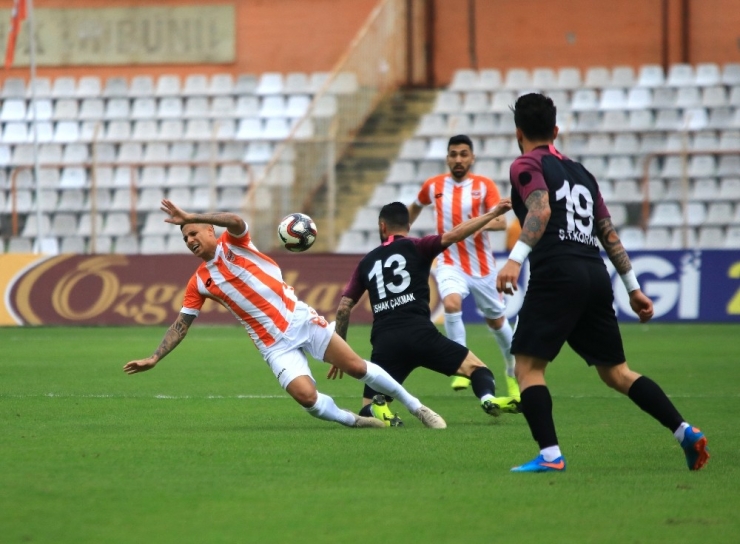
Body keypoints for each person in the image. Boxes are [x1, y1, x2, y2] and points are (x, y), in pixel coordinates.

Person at [496, 93, 709, 472]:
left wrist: (514, 260)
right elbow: (607, 231)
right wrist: (633, 287)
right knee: (617, 372)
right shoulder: (582, 173)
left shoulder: (525, 163)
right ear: (555, 130)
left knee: (527, 369)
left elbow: (541, 208)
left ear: (518, 132)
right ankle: (684, 430)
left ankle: (550, 457)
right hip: (594, 274)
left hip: (557, 272)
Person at [123, 200, 447, 430]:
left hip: (300, 320)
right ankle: (356, 420)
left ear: (210, 230)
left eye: (194, 233)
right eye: (185, 238)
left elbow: (235, 220)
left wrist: (190, 215)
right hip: (272, 345)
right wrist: (154, 357)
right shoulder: (199, 282)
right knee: (308, 400)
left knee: (356, 367)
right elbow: (181, 324)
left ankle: (416, 406)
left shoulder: (235, 242)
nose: (190, 240)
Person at [328, 200, 520, 424]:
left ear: (382, 227)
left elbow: (343, 309)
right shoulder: (419, 246)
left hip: (385, 342)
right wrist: (492, 213)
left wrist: (338, 351)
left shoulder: (366, 262)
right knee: (478, 370)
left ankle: (383, 413)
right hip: (421, 334)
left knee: (367, 408)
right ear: (408, 227)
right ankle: (487, 398)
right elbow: (456, 234)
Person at [408, 135, 519, 399]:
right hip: (449, 262)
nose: (458, 159)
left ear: (472, 158)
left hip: (482, 267)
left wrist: (473, 224)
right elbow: (415, 206)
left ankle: (512, 369)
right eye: (454, 154)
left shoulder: (484, 186)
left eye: (463, 154)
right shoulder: (433, 186)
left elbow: (501, 223)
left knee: (496, 320)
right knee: (451, 304)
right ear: (447, 158)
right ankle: (462, 365)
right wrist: (401, 233)